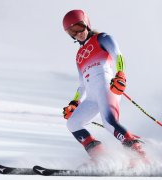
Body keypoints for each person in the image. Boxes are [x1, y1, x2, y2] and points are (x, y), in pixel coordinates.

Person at [61, 9, 146, 163]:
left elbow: (118, 55)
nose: (78, 33)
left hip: (106, 86)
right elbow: (82, 84)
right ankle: (100, 157)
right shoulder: (79, 55)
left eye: (80, 26)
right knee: (73, 123)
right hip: (92, 96)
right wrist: (74, 102)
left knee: (109, 123)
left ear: (86, 23)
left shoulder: (102, 38)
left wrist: (120, 74)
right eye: (73, 31)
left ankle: (139, 155)